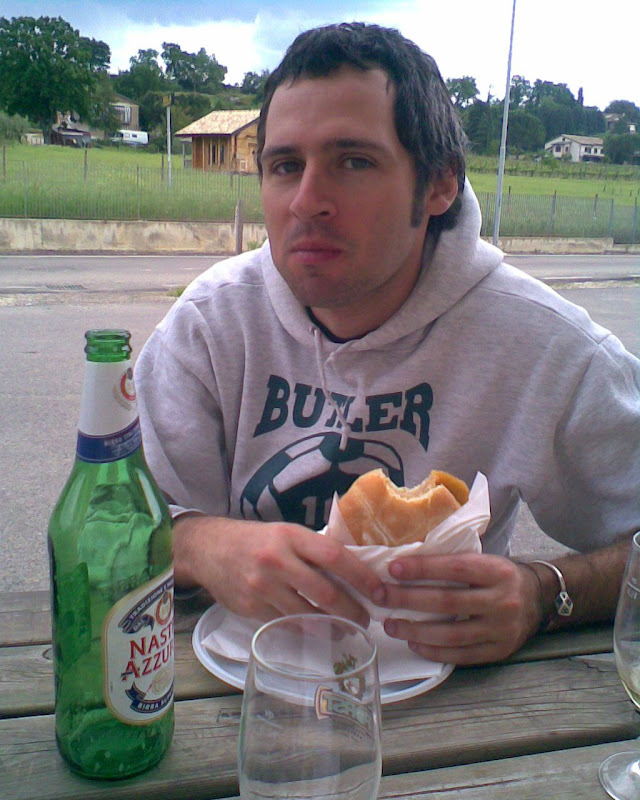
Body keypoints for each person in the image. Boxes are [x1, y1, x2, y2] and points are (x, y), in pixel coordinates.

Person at [135, 22, 640, 665]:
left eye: (353, 162)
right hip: (233, 688)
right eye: (285, 166)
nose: (307, 202)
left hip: (461, 704)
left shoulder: (544, 345)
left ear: (439, 185)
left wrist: (547, 593)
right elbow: (107, 527)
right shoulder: (208, 326)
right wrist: (199, 544)